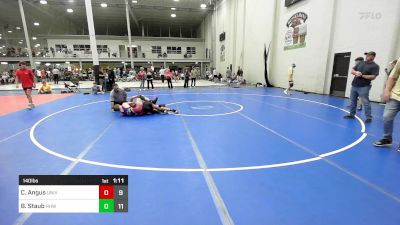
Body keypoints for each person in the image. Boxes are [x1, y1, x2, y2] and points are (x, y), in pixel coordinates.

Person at [344, 51, 380, 123]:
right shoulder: (361, 62)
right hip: (354, 85)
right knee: (352, 100)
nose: (367, 56)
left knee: (365, 102)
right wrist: (356, 72)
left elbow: (373, 77)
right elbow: (352, 70)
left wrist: (362, 75)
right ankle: (351, 114)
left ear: (373, 57)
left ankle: (368, 117)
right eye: (367, 55)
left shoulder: (375, 66)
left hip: (364, 86)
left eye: (369, 55)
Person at [374, 58, 400, 151]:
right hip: (396, 95)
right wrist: (387, 90)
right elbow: (392, 77)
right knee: (387, 117)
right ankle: (387, 138)